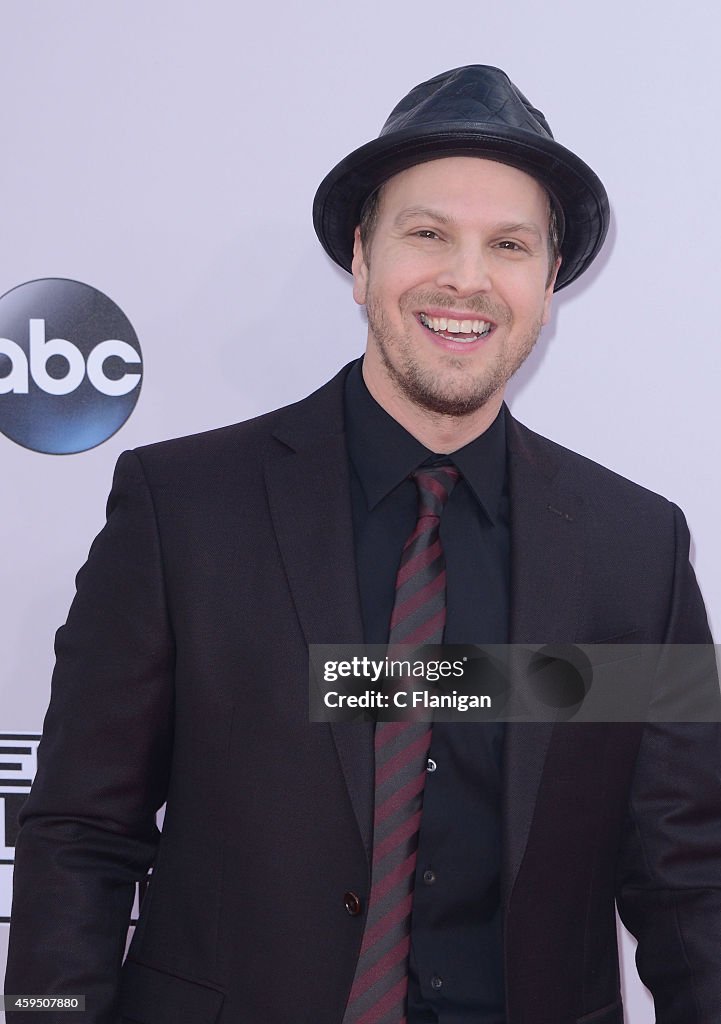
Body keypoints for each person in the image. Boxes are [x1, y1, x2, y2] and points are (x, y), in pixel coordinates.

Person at [5, 65, 721, 1024]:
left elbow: (686, 880)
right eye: (427, 233)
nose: (466, 278)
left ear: (547, 285)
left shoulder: (633, 547)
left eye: (508, 245)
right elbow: (82, 834)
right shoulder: (184, 508)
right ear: (360, 259)